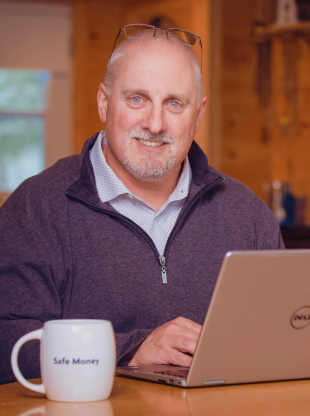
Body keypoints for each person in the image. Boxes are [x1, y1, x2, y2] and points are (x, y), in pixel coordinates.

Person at [0, 26, 284, 385]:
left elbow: (282, 341)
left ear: (198, 113)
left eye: (174, 104)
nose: (154, 123)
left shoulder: (248, 215)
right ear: (104, 102)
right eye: (137, 99)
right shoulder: (36, 208)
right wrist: (131, 351)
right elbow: (6, 342)